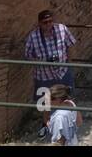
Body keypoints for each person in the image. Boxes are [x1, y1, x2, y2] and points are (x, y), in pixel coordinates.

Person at [25, 9, 77, 138]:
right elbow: (27, 56)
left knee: (68, 97)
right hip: (43, 74)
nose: (48, 24)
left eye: (50, 21)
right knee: (45, 102)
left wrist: (70, 64)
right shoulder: (33, 36)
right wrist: (41, 61)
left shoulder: (61, 29)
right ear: (39, 23)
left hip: (63, 71)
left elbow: (70, 46)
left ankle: (70, 122)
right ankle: (46, 124)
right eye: (45, 22)